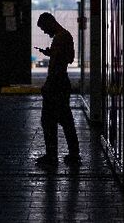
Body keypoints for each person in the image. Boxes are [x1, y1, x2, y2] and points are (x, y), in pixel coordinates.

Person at [35, 12, 80, 167]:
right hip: (62, 83)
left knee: (48, 120)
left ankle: (52, 156)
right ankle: (74, 154)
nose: (45, 32)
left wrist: (48, 84)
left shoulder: (59, 38)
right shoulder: (66, 36)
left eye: (44, 28)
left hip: (56, 83)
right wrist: (51, 53)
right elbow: (69, 58)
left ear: (50, 23)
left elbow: (56, 66)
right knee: (66, 120)